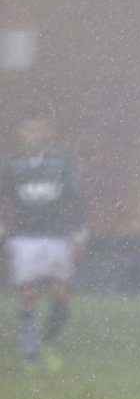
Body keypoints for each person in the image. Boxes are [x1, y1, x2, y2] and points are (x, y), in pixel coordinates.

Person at [0, 115, 89, 372]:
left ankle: (48, 342)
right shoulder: (11, 165)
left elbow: (75, 198)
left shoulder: (61, 163)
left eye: (39, 128)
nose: (34, 133)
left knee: (61, 294)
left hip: (56, 236)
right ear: (21, 133)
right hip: (23, 237)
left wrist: (80, 235)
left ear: (49, 132)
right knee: (28, 294)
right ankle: (30, 354)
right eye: (29, 128)